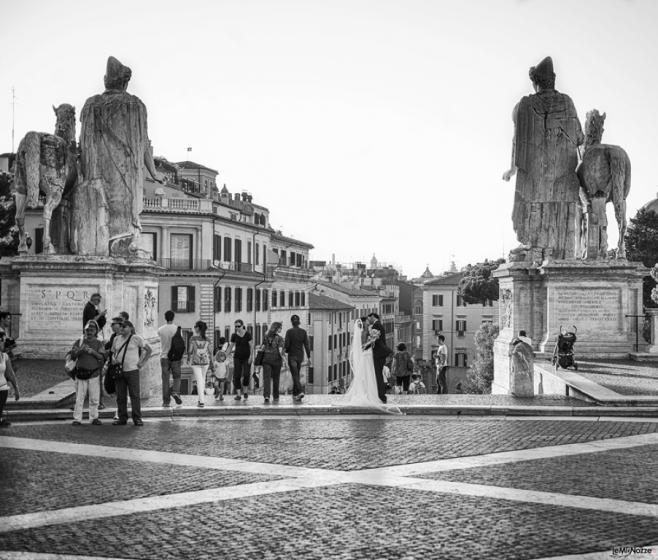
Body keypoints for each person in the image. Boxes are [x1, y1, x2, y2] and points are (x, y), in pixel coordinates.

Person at [502, 56, 584, 262]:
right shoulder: (567, 102)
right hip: (563, 175)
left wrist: (512, 168)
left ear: (535, 82)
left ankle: (535, 247)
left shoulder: (525, 105)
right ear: (553, 80)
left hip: (535, 175)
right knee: (561, 209)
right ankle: (558, 252)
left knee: (534, 206)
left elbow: (517, 140)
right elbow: (580, 138)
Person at [339, 318, 401, 414]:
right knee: (370, 375)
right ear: (363, 323)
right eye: (366, 321)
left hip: (366, 355)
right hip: (367, 355)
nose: (368, 322)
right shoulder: (366, 333)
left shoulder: (361, 333)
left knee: (366, 375)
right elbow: (367, 344)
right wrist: (372, 341)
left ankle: (367, 393)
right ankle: (370, 394)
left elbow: (363, 345)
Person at [111, 320, 152, 426]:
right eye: (120, 327)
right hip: (119, 370)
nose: (121, 328)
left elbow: (149, 350)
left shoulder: (136, 338)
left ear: (130, 328)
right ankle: (122, 417)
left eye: (124, 327)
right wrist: (113, 359)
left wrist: (142, 363)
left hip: (132, 370)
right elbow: (113, 353)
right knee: (120, 396)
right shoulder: (116, 339)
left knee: (134, 395)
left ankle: (137, 418)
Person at [70, 320, 106, 426]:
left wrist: (92, 352)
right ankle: (77, 419)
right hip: (81, 374)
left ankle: (94, 417)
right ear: (84, 330)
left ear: (96, 331)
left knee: (94, 398)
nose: (89, 332)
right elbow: (73, 356)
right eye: (88, 330)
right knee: (79, 398)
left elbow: (102, 357)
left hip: (94, 374)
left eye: (92, 330)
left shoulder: (99, 343)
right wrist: (81, 350)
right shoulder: (79, 342)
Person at [158, 310, 182, 407]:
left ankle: (166, 402)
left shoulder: (160, 330)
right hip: (175, 358)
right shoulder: (177, 329)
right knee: (177, 376)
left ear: (165, 318)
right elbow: (180, 344)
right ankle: (175, 391)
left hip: (164, 357)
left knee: (165, 380)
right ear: (173, 317)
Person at [284, 314, 310, 402]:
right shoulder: (303, 332)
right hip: (300, 356)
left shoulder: (289, 332)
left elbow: (286, 345)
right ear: (299, 322)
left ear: (292, 322)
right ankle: (295, 394)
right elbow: (306, 345)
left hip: (292, 356)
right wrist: (309, 357)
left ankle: (300, 391)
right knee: (296, 374)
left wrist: (286, 350)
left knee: (295, 374)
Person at [366, 312, 391, 404]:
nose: (368, 321)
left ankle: (381, 396)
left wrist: (365, 347)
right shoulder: (378, 325)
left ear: (373, 317)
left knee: (378, 375)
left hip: (378, 354)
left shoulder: (376, 326)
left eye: (369, 319)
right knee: (378, 374)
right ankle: (380, 395)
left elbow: (374, 340)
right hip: (380, 354)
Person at [188, 320, 213, 408]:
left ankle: (202, 401)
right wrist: (212, 362)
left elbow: (190, 351)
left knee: (199, 381)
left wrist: (189, 356)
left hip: (196, 362)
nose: (194, 328)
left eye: (195, 326)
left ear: (198, 328)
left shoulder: (192, 338)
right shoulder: (208, 339)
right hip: (206, 362)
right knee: (202, 380)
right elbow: (210, 352)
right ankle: (200, 399)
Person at [227, 319, 252, 401]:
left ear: (242, 325)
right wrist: (224, 355)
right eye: (235, 326)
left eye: (238, 326)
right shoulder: (234, 335)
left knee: (246, 374)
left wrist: (251, 356)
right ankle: (238, 394)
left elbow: (251, 346)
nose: (237, 328)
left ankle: (245, 391)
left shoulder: (248, 334)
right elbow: (230, 347)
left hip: (246, 357)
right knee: (237, 375)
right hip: (237, 357)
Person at [261, 322, 285, 404]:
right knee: (276, 379)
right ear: (277, 328)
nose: (281, 329)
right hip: (276, 360)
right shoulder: (280, 338)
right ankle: (275, 396)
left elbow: (262, 347)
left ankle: (267, 396)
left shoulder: (266, 337)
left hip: (266, 360)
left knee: (266, 379)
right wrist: (286, 361)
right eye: (280, 328)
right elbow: (281, 351)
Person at [0, 332, 19, 427]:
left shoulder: (5, 356)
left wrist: (16, 389)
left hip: (3, 389)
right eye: (3, 340)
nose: (4, 343)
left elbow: (10, 374)